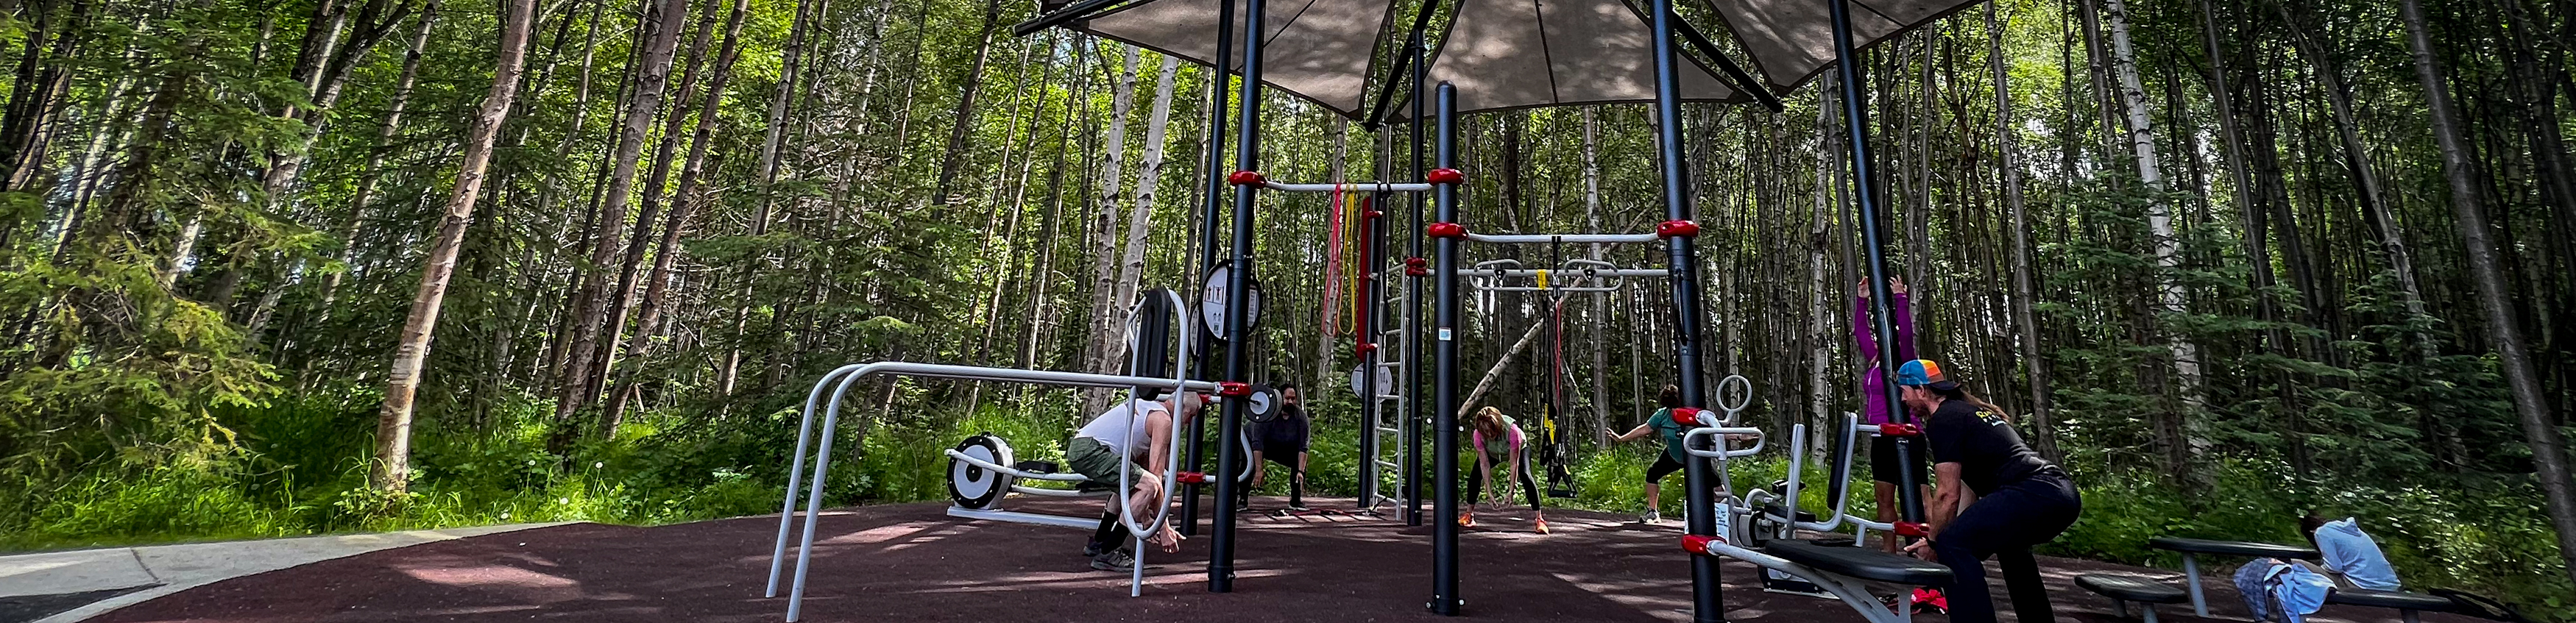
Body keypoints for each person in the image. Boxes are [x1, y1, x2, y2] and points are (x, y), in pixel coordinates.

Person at [1897, 359, 2081, 623]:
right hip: (2060, 493)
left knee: (1953, 544)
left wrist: (1936, 542)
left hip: (2033, 490)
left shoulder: (1943, 419)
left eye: (1904, 392)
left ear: (1921, 390)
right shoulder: (1965, 413)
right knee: (2009, 546)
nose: (1903, 401)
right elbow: (1967, 495)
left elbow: (1947, 495)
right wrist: (1945, 534)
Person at [1066, 391, 1202, 572]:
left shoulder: (1148, 408)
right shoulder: (1164, 421)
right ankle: (1108, 552)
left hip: (1083, 446)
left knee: (1130, 483)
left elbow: (1140, 475)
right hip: (1091, 451)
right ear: (1180, 408)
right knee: (1150, 485)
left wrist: (1147, 518)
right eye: (1191, 415)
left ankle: (1099, 542)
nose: (1190, 422)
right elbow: (1156, 476)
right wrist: (1163, 527)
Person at [1855, 277, 1928, 554]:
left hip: (1908, 435)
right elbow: (1860, 331)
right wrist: (1862, 299)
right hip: (1881, 436)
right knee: (1883, 497)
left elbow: (1907, 334)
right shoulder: (1875, 359)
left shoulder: (1905, 358)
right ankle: (1890, 549)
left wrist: (1900, 299)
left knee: (1920, 497)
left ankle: (1930, 548)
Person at [1613, 384, 1694, 524]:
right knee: (1652, 474)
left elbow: (1714, 429)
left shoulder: (1691, 414)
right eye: (1671, 408)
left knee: (1717, 489)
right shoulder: (1662, 415)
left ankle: (1724, 515)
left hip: (1695, 457)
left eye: (1676, 407)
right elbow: (1645, 429)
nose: (1674, 412)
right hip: (1673, 456)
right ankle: (1652, 512)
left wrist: (1738, 436)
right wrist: (1622, 438)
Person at [1461, 406, 1549, 534]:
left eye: (1492, 431)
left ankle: (1539, 519)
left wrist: (1511, 491)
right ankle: (1469, 514)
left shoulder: (1513, 431)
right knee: (1475, 474)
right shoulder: (1478, 435)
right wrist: (1489, 492)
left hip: (1519, 449)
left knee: (1525, 474)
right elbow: (1484, 464)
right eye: (1486, 433)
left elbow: (1514, 463)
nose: (1490, 436)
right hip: (1493, 453)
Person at [1242, 384, 1310, 511]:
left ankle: (1295, 500)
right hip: (1255, 444)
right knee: (1247, 464)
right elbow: (1257, 443)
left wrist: (1300, 471)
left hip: (1281, 447)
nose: (1290, 402)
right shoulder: (1267, 414)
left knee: (1299, 463)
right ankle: (1242, 500)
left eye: (1293, 399)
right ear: (1280, 399)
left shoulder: (1301, 418)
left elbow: (1303, 447)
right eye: (1287, 398)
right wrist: (1259, 469)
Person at [2301, 514, 2403, 591]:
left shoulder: (2321, 532)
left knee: (2293, 564)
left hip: (2363, 585)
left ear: (2311, 532)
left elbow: (2334, 567)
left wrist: (2321, 568)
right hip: (2390, 584)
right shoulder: (2350, 530)